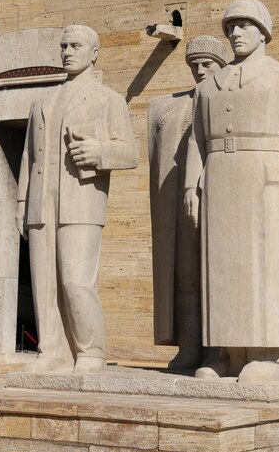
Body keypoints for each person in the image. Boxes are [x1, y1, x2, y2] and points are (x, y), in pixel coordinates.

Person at [185, 0, 279, 383]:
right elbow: (196, 140)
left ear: (263, 31)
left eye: (244, 26)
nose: (236, 34)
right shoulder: (209, 85)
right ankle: (227, 352)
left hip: (266, 175)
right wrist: (193, 186)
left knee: (265, 263)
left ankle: (267, 354)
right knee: (221, 264)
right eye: (231, 28)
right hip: (219, 177)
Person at [16, 25, 138, 374]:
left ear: (94, 53)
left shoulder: (107, 99)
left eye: (76, 46)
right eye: (64, 46)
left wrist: (98, 151)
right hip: (42, 201)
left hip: (81, 199)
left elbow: (129, 152)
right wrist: (21, 204)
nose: (68, 52)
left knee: (75, 279)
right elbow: (28, 158)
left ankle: (90, 351)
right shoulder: (42, 103)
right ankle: (51, 351)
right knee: (43, 280)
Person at [148, 36, 227, 370]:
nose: (199, 70)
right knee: (185, 273)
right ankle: (191, 345)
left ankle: (218, 350)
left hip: (221, 198)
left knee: (218, 271)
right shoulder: (173, 105)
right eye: (193, 64)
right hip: (179, 202)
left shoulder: (228, 98)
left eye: (207, 63)